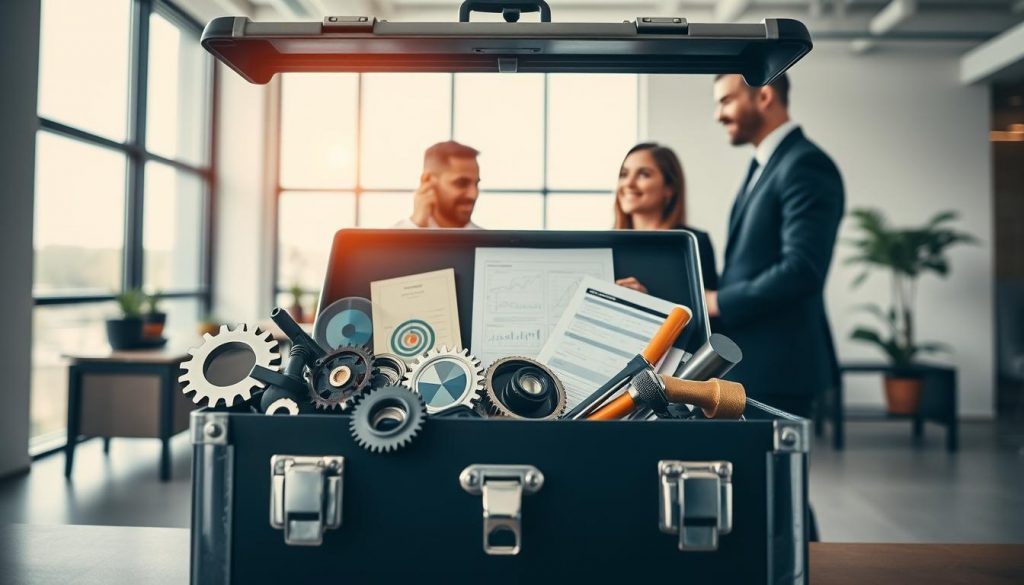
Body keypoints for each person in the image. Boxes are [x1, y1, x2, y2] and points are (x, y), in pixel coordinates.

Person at [708, 72, 844, 419]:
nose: (718, 114)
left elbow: (801, 270)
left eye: (726, 100)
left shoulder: (805, 164)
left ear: (764, 96)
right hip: (756, 364)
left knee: (770, 473)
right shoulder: (767, 163)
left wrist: (720, 302)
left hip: (779, 368)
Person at [612, 143, 719, 293]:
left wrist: (647, 302)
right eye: (624, 174)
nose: (628, 183)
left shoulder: (692, 243)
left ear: (670, 188)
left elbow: (706, 312)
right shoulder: (607, 245)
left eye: (643, 174)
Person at [396, 140, 482, 229]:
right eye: (461, 183)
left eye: (476, 184)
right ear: (427, 180)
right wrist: (416, 227)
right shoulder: (391, 239)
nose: (473, 194)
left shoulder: (489, 241)